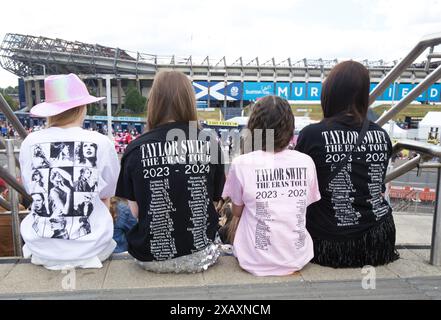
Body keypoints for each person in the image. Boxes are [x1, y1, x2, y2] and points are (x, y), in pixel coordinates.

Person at [116, 70, 225, 273]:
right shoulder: (210, 143)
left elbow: (135, 211)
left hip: (149, 257)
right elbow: (214, 203)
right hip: (201, 254)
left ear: (154, 102)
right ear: (189, 101)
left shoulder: (135, 149)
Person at [295, 61, 400, 268]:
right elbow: (376, 187)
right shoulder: (381, 135)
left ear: (329, 93)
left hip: (330, 243)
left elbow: (299, 188)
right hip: (379, 240)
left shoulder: (312, 135)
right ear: (364, 96)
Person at [19, 73, 120, 270]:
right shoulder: (101, 141)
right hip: (92, 248)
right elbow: (108, 192)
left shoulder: (30, 142)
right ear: (82, 107)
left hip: (41, 248)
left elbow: (31, 188)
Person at [222, 95, 320, 276]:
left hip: (252, 260)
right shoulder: (306, 162)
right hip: (297, 258)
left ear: (253, 129)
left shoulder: (242, 163)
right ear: (290, 128)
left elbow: (237, 212)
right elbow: (302, 205)